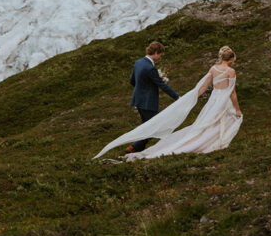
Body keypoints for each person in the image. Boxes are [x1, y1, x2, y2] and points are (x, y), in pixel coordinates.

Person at [95, 45, 242, 160]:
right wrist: (237, 109)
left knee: (208, 121)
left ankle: (136, 146)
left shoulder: (213, 68)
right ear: (231, 59)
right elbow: (232, 92)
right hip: (224, 98)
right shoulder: (231, 72)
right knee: (222, 120)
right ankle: (216, 140)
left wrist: (193, 96)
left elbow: (204, 86)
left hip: (214, 98)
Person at [126, 41, 180, 153]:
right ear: (156, 52)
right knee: (158, 126)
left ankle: (135, 148)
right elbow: (162, 86)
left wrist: (144, 86)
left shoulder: (138, 63)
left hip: (139, 100)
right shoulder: (150, 68)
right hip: (148, 102)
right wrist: (177, 97)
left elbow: (132, 81)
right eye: (160, 55)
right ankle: (135, 148)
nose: (160, 57)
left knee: (147, 127)